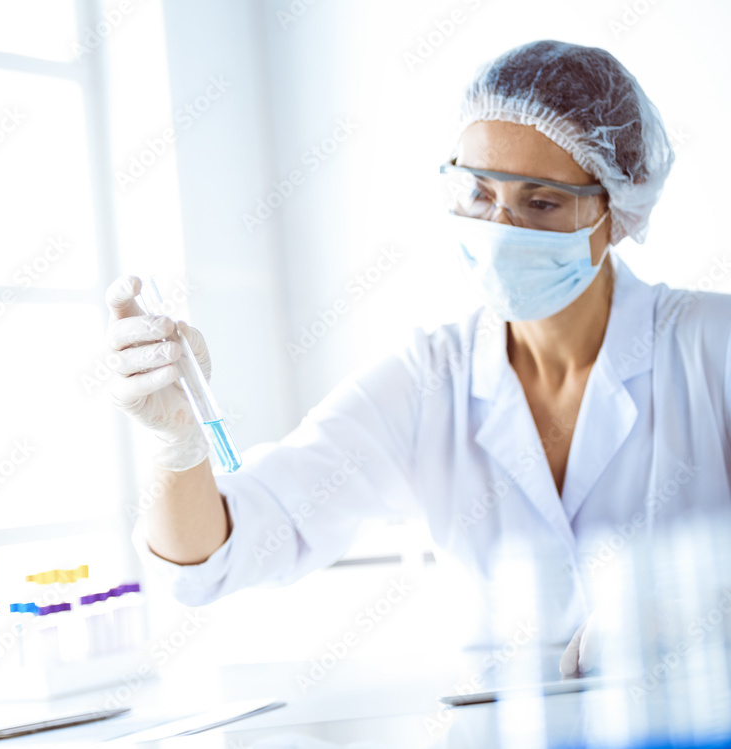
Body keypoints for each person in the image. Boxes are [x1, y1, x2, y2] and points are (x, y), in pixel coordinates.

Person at [102, 40, 731, 678]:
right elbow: (217, 557)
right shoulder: (427, 381)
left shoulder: (714, 349)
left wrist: (697, 604)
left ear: (616, 210)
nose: (499, 228)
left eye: (540, 202)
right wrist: (177, 449)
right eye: (477, 193)